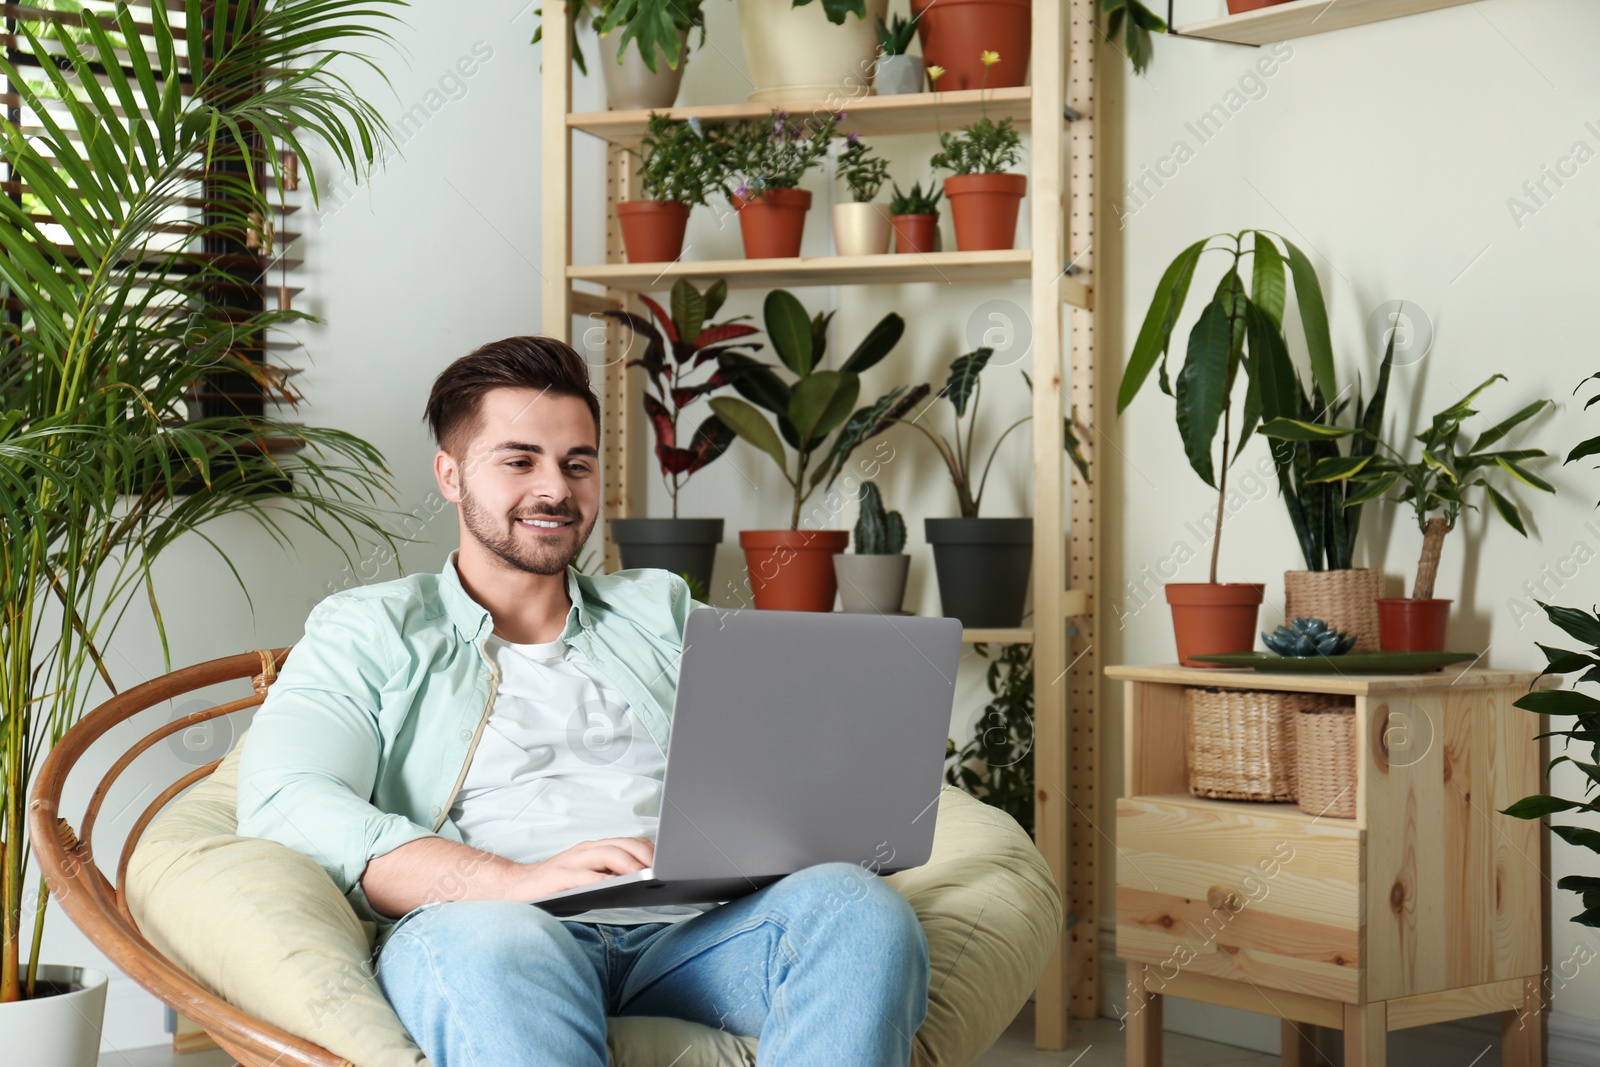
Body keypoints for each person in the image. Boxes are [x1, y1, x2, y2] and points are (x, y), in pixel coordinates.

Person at [236, 336, 930, 1067]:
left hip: (690, 936)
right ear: (450, 473)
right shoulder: (371, 626)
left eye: (578, 463)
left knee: (859, 910)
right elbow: (286, 795)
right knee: (499, 940)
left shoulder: (658, 607)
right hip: (493, 927)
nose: (555, 490)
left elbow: (776, 762)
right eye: (519, 460)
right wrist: (513, 881)